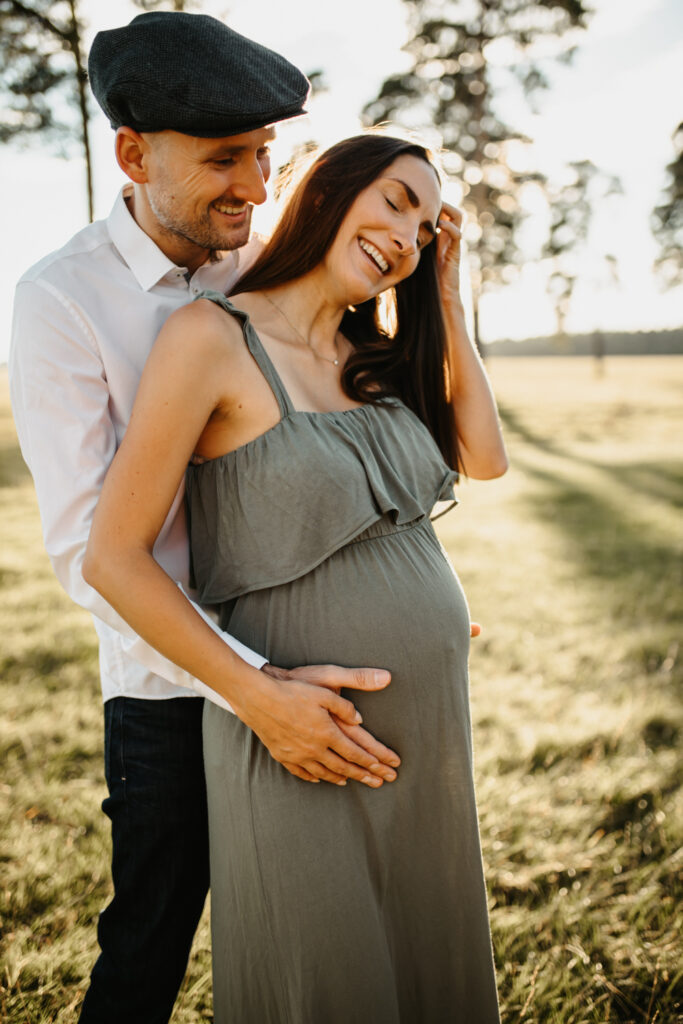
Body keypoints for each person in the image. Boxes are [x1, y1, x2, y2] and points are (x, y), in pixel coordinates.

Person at [9, 14, 404, 1023]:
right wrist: (249, 689)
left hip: (318, 659)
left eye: (266, 155)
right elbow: (88, 554)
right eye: (225, 159)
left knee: (337, 929)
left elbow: (343, 431)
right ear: (132, 154)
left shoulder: (270, 268)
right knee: (150, 937)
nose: (255, 187)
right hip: (167, 689)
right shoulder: (61, 302)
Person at [84, 131, 508, 1021]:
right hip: (298, 739)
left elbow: (484, 455)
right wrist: (256, 697)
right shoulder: (212, 338)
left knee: (429, 975)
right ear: (328, 189)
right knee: (329, 983)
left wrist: (445, 296)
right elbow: (111, 558)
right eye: (395, 201)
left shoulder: (371, 362)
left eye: (425, 227)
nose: (406, 234)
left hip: (427, 737)